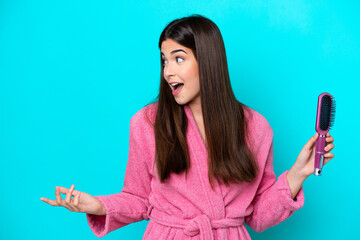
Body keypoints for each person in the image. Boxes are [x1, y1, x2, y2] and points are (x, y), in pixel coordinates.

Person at [40, 15, 335, 239]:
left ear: (207, 62)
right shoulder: (147, 123)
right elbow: (138, 199)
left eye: (179, 59)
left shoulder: (255, 127)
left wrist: (298, 174)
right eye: (164, 60)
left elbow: (257, 216)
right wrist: (98, 205)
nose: (168, 71)